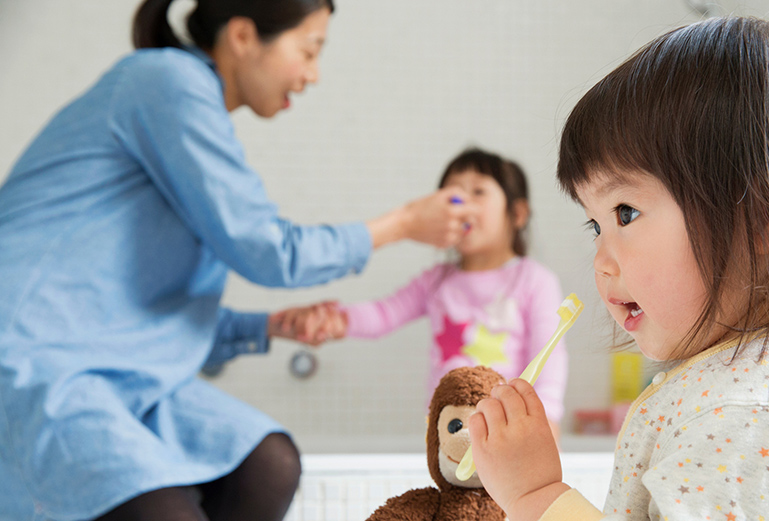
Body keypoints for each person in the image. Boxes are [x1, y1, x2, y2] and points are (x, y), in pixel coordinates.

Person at [0, 0, 476, 519]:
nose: (313, 74)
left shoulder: (187, 119)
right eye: (309, 50)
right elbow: (269, 251)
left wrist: (267, 327)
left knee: (267, 460)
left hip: (120, 374)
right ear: (244, 36)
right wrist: (404, 223)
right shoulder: (165, 82)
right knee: (165, 508)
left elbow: (145, 320)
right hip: (40, 364)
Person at [467, 16, 769, 521]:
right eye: (595, 226)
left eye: (625, 213)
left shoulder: (742, 411)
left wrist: (535, 495)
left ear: (765, 217)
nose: (601, 262)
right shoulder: (768, 379)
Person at [269, 147, 569, 437]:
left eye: (477, 192)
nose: (461, 203)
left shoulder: (534, 280)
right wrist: (336, 320)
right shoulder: (437, 281)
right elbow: (384, 313)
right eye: (453, 195)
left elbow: (548, 357)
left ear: (517, 214)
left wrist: (548, 419)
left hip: (509, 432)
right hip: (446, 431)